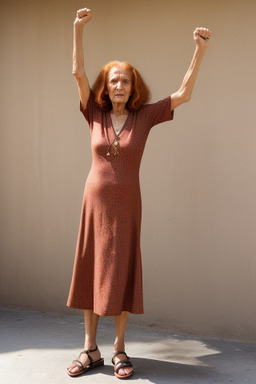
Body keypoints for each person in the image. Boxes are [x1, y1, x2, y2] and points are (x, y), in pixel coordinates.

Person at [66, 7, 211, 379]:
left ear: (134, 88)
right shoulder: (93, 114)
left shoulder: (144, 116)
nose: (118, 86)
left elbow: (184, 94)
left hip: (128, 205)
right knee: (91, 267)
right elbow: (78, 73)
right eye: (113, 80)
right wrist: (77, 29)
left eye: (125, 82)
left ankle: (117, 350)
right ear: (106, 85)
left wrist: (199, 50)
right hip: (94, 203)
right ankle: (89, 348)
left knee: (122, 269)